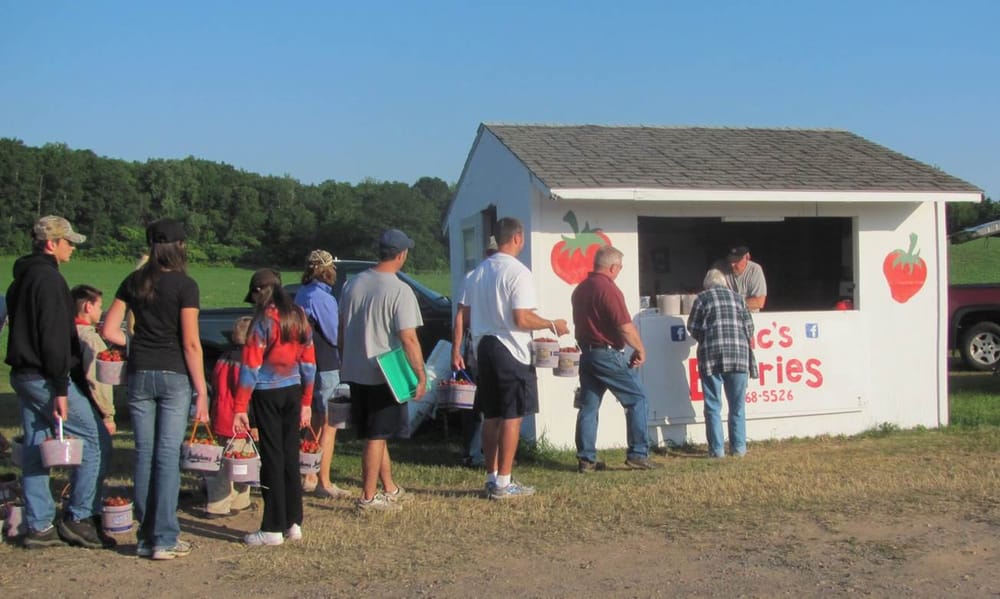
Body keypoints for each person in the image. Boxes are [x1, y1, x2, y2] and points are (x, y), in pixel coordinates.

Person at [102, 218, 209, 560]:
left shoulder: (134, 281)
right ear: (179, 247)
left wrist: (133, 345)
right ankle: (164, 537)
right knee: (166, 456)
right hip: (174, 375)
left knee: (144, 453)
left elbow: (108, 328)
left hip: (139, 373)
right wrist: (202, 389)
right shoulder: (185, 285)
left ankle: (147, 535)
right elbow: (191, 342)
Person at [5, 215, 113, 550]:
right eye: (68, 242)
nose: (72, 249)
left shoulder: (19, 279)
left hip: (23, 374)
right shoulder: (49, 280)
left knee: (38, 447)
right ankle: (80, 517)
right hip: (46, 376)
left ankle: (39, 526)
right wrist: (62, 388)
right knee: (95, 440)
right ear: (51, 243)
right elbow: (53, 338)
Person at [463, 217, 569, 500]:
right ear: (518, 238)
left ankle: (491, 476)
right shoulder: (518, 272)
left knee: (491, 414)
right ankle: (504, 482)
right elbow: (521, 318)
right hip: (510, 348)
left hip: (483, 346)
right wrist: (551, 323)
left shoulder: (479, 272)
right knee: (513, 415)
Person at [339, 229, 426, 512]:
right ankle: (367, 496)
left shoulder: (352, 284)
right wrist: (420, 374)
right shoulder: (399, 289)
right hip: (384, 374)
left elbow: (342, 331)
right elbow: (408, 337)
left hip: (354, 368)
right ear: (401, 255)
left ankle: (388, 487)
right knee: (376, 436)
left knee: (378, 433)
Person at [232, 269, 316, 545]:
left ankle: (272, 527)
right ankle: (294, 522)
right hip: (293, 391)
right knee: (290, 457)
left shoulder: (263, 321)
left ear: (259, 292)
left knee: (272, 459)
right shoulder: (299, 315)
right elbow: (309, 363)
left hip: (267, 393)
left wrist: (240, 406)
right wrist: (307, 401)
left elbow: (251, 365)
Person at [571, 246, 656, 472]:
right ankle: (638, 453)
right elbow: (625, 327)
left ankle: (586, 459)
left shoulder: (581, 289)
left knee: (589, 406)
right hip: (606, 353)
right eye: (619, 268)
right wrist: (640, 349)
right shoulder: (608, 289)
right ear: (612, 267)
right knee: (637, 398)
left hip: (587, 353)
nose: (619, 272)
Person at [294, 249, 351, 498]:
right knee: (330, 423)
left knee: (314, 420)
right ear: (327, 270)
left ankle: (308, 474)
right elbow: (333, 332)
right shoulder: (322, 297)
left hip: (307, 364)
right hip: (326, 363)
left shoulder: (302, 293)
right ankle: (324, 482)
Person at [686, 268, 758, 458]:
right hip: (739, 357)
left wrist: (706, 338)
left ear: (706, 284)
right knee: (737, 406)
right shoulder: (739, 298)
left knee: (712, 406)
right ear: (725, 283)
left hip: (712, 357)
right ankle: (739, 449)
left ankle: (717, 451)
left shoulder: (702, 299)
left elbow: (692, 327)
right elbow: (749, 328)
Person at [450, 236, 498, 468]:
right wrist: (456, 349)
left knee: (483, 402)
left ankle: (483, 452)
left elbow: (460, 317)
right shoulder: (474, 277)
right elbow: (461, 316)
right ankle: (473, 452)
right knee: (476, 402)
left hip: (483, 345)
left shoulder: (474, 276)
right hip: (478, 345)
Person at [203, 315, 254, 519]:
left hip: (221, 415)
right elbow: (244, 391)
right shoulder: (244, 362)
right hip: (237, 419)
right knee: (232, 464)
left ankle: (241, 499)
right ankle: (218, 504)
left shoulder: (223, 357)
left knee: (240, 460)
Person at [71, 284, 117, 435]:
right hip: (88, 404)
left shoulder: (63, 331)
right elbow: (97, 378)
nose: (100, 311)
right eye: (99, 306)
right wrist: (107, 414)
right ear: (88, 306)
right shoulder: (91, 339)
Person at [713, 245, 767, 311]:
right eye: (730, 260)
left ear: (747, 257)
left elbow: (759, 302)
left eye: (736, 261)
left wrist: (731, 304)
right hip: (726, 315)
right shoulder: (719, 268)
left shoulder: (755, 270)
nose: (732, 264)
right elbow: (712, 295)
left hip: (750, 316)